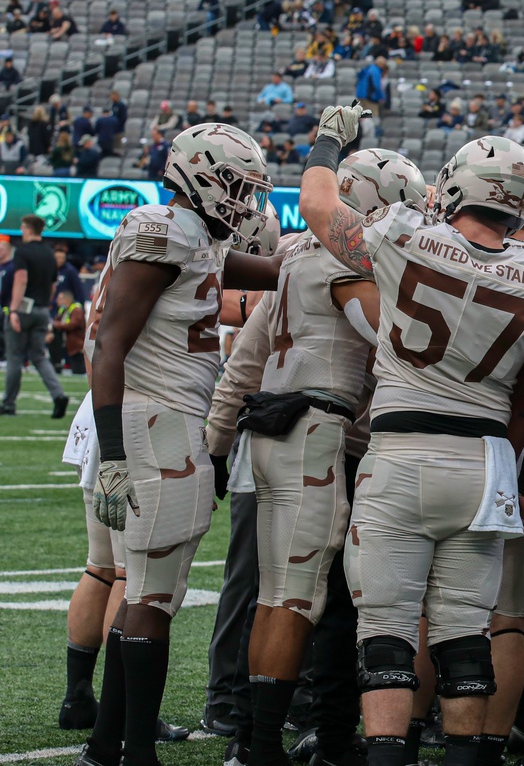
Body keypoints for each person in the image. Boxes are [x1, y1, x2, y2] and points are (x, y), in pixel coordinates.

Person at [299, 110, 524, 766]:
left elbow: (316, 202)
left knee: (389, 631)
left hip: (399, 455)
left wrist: (330, 141)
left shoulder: (403, 237)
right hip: (483, 468)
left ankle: (390, 754)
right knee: (464, 633)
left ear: (454, 185)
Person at [71, 124, 278, 766]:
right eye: (240, 188)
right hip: (155, 424)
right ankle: (135, 752)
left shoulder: (192, 238)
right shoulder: (163, 230)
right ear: (206, 177)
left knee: (145, 594)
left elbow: (270, 269)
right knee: (153, 600)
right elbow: (108, 343)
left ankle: (107, 745)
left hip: (166, 422)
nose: (246, 204)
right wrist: (110, 455)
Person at [243, 150, 425, 766]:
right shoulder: (346, 268)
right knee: (315, 599)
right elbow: (401, 352)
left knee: (278, 592)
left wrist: (218, 442)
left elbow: (246, 356)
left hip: (278, 430)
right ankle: (277, 738)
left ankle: (265, 731)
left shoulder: (294, 257)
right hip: (328, 439)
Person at [2, 215, 68, 418]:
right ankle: (58, 395)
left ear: (28, 229)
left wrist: (14, 309)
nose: (21, 230)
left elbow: (21, 280)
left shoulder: (23, 252)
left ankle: (9, 404)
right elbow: (53, 286)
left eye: (22, 227)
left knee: (14, 357)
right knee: (39, 356)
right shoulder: (49, 253)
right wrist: (45, 306)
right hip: (41, 310)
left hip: (24, 309)